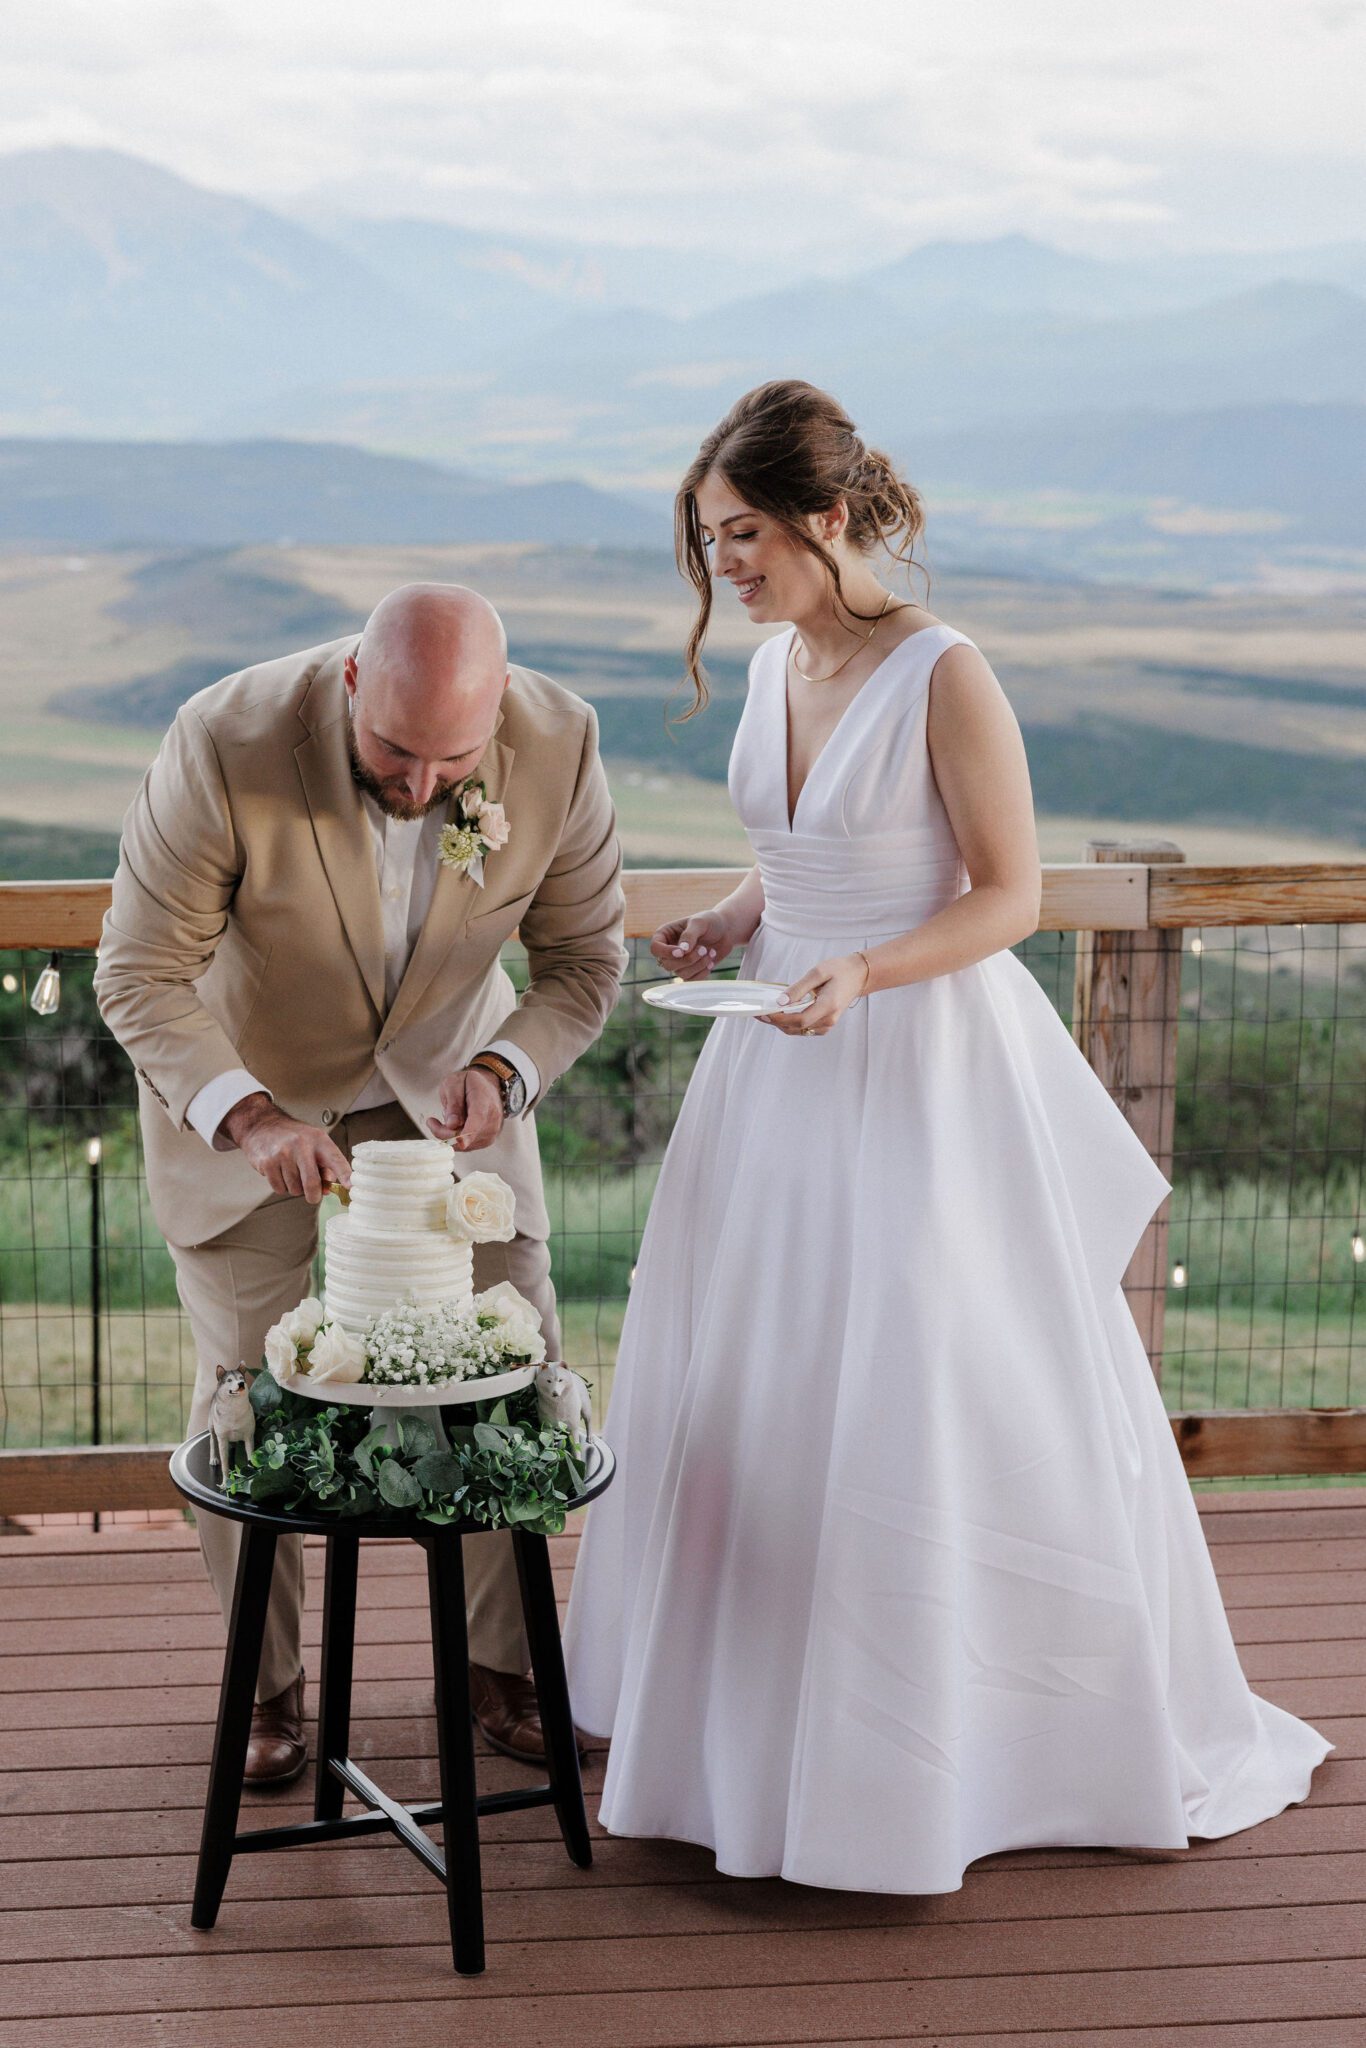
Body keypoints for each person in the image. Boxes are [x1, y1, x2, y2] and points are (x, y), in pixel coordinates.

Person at [562, 381, 1332, 1893]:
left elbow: (1006, 895)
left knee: (911, 1387)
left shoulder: (943, 672)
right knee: (759, 1372)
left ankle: (934, 1751)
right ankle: (738, 1730)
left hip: (910, 1067)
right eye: (710, 539)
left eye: (745, 535)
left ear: (828, 520)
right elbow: (806, 856)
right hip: (772, 1069)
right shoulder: (782, 656)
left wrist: (863, 970)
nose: (724, 565)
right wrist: (740, 917)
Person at [95, 584, 624, 1784]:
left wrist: (505, 1066)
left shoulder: (562, 738)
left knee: (513, 1364)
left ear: (499, 709)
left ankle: (501, 1667)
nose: (424, 783)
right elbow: (139, 973)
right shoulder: (223, 741)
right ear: (348, 684)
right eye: (395, 750)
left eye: (455, 757)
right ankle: (267, 1689)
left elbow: (587, 959)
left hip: (452, 1100)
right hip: (250, 1092)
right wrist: (246, 1114)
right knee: (246, 1396)